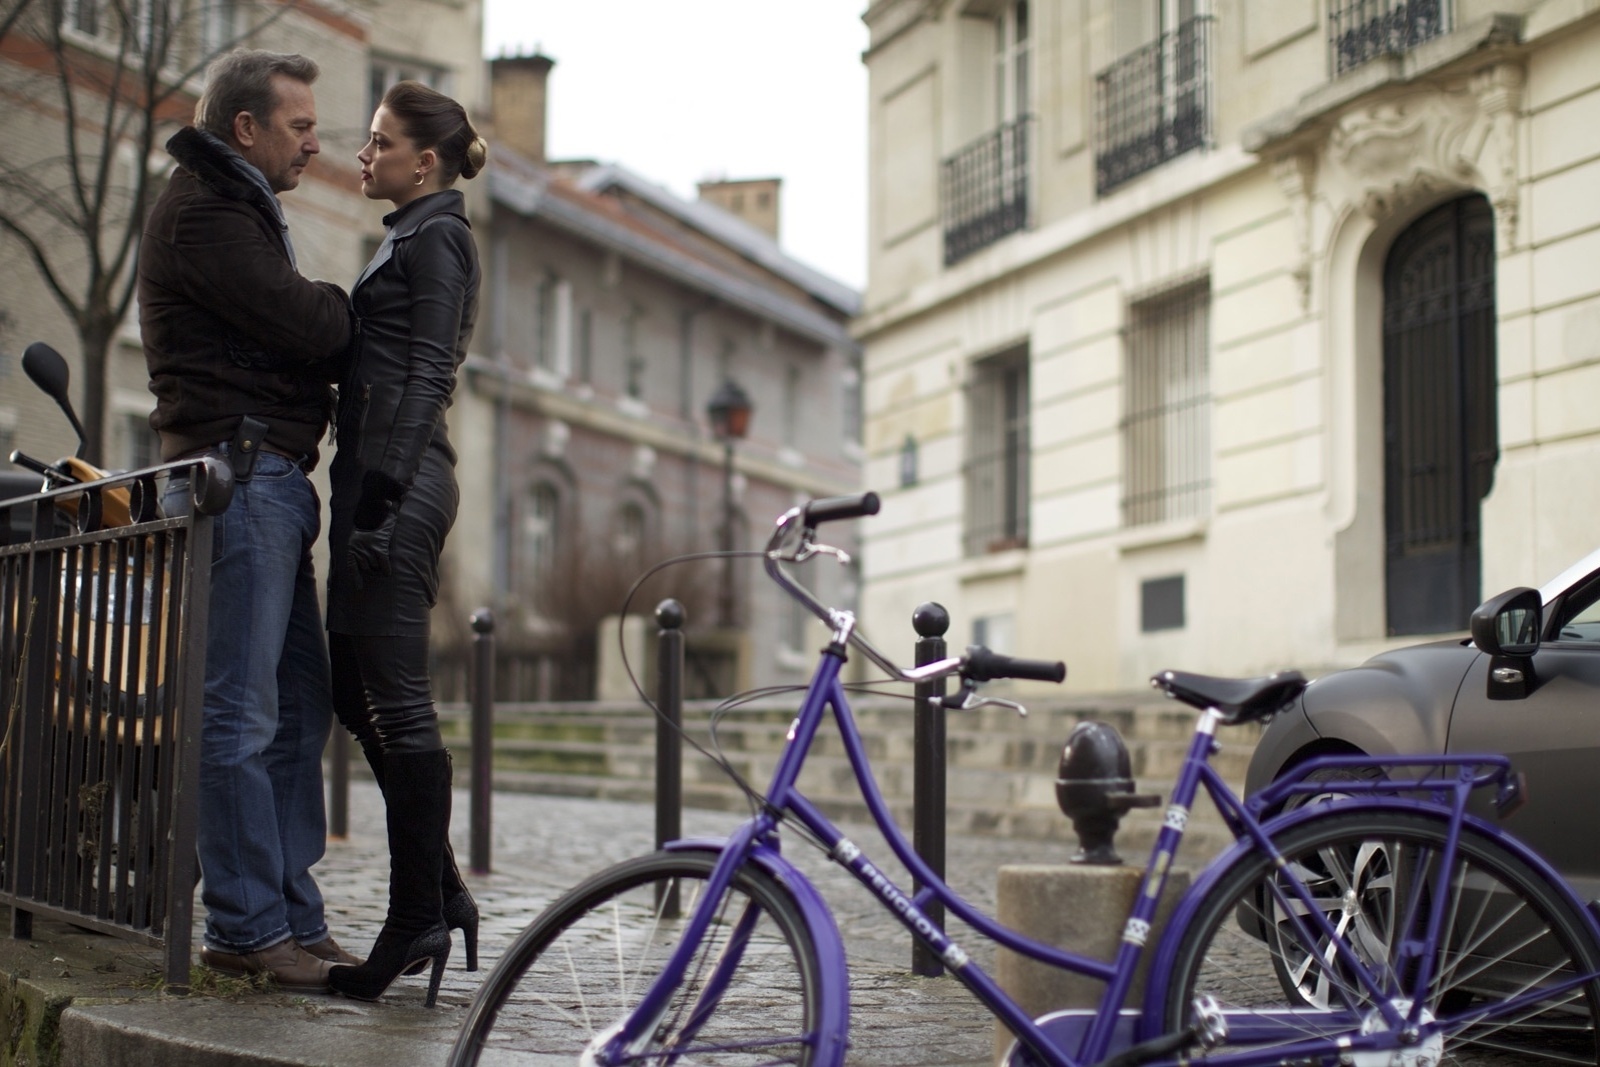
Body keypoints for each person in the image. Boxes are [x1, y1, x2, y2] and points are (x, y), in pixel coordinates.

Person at [139, 50, 360, 991]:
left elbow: (282, 333)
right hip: (236, 483)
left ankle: (291, 916)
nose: (314, 143)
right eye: (299, 126)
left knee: (298, 709)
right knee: (239, 713)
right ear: (246, 128)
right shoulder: (206, 211)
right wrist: (344, 310)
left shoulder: (237, 206)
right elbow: (305, 324)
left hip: (267, 481)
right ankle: (245, 927)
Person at [322, 81, 485, 1008]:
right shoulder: (409, 234)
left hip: (401, 484)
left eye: (379, 142)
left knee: (398, 700)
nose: (364, 152)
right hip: (372, 481)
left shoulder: (441, 238)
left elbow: (429, 372)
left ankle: (413, 913)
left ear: (423, 162)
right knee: (351, 688)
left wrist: (383, 499)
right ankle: (442, 888)